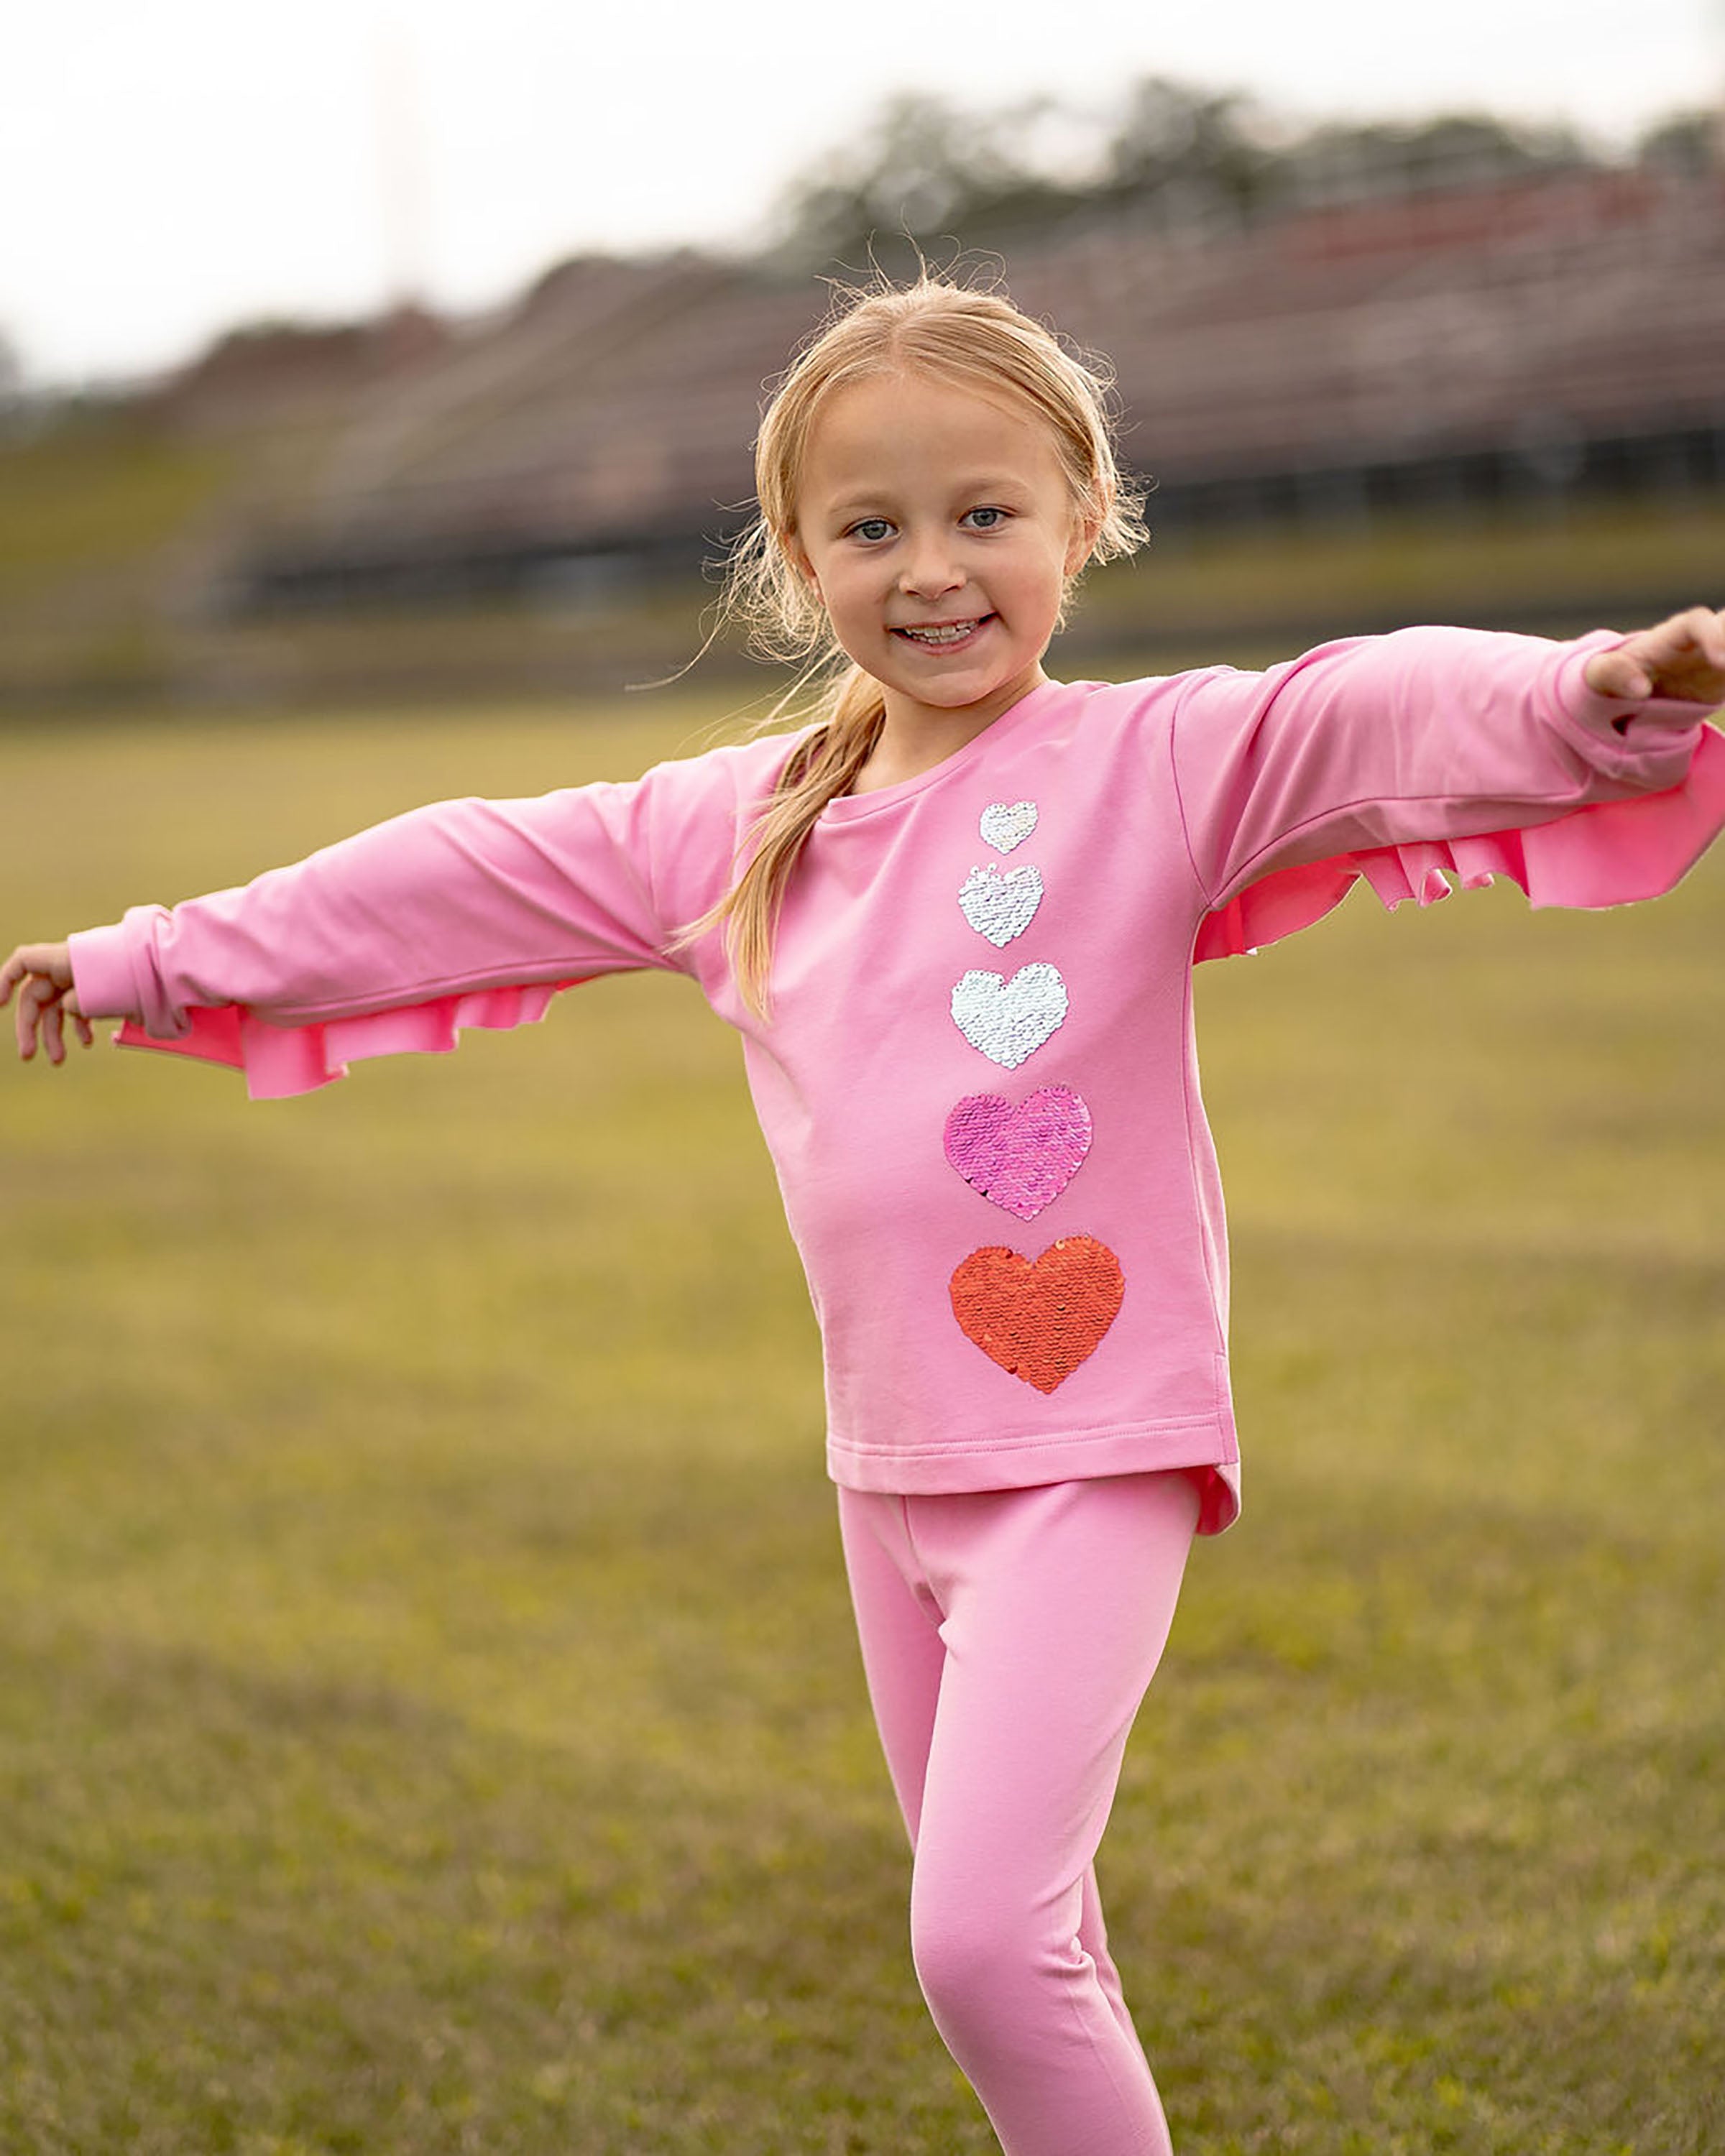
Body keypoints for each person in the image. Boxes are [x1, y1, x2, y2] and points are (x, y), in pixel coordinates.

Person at [5, 276, 1723, 2156]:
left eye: (985, 513)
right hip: (886, 1477)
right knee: (1036, 1945)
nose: (933, 570)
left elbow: (1356, 707)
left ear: (1084, 515)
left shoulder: (1147, 762)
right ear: (798, 555)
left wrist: (1582, 688)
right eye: (873, 527)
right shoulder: (746, 825)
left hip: (1090, 1451)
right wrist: (148, 956)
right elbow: (455, 877)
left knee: (983, 1948)